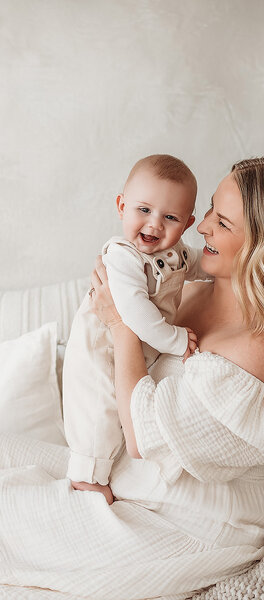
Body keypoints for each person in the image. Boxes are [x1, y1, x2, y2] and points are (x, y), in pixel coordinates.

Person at [0, 156, 264, 600]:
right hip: (125, 479)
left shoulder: (261, 353)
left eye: (221, 221)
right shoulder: (191, 290)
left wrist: (122, 322)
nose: (199, 227)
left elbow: (144, 437)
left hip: (184, 520)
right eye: (208, 210)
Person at [63, 154, 209, 498]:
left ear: (187, 224)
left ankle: (110, 469)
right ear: (121, 206)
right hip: (100, 344)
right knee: (97, 409)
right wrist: (174, 340)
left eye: (169, 217)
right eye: (143, 210)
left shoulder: (180, 254)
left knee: (123, 409)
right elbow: (132, 310)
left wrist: (223, 271)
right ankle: (87, 476)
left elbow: (201, 267)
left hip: (136, 347)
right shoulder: (122, 255)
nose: (155, 224)